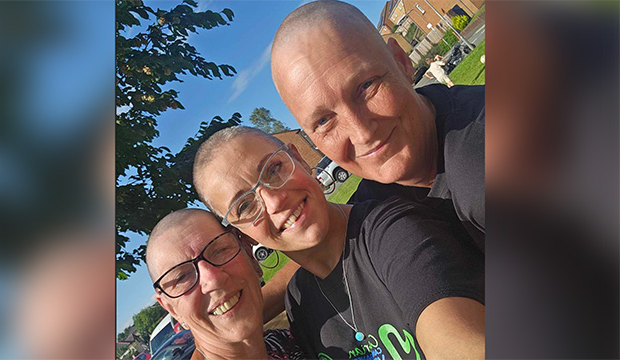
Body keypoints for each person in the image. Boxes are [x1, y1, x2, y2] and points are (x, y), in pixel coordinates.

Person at [193, 126, 485, 360]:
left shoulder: (393, 232)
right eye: (244, 206)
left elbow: (455, 338)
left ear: (299, 158)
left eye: (273, 169)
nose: (274, 200)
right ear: (243, 235)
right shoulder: (299, 302)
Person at [270, 0, 484, 244]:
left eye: (366, 86)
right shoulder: (370, 213)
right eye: (323, 121)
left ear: (402, 61)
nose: (362, 133)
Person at [145, 208, 303, 359]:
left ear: (248, 253)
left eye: (220, 250)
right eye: (182, 277)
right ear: (171, 309)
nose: (213, 280)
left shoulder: (288, 341)